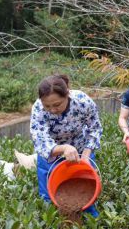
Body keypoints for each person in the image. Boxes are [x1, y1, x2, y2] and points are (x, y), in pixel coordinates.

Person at [30, 75, 102, 217]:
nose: (52, 110)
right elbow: (40, 139)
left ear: (67, 94)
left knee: (86, 187)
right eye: (47, 106)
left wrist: (86, 156)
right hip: (52, 150)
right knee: (48, 196)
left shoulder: (82, 102)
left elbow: (94, 128)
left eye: (57, 105)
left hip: (81, 148)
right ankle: (51, 223)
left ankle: (89, 217)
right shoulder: (38, 108)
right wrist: (63, 148)